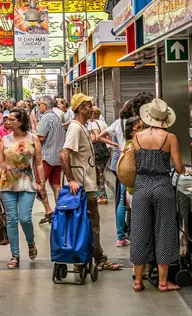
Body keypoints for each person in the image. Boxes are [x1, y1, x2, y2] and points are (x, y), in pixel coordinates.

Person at [61, 94, 121, 271]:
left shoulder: (82, 127)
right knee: (91, 222)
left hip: (87, 184)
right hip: (83, 186)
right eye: (89, 106)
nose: (92, 108)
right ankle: (96, 259)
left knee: (88, 222)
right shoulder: (75, 128)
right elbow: (64, 154)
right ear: (81, 108)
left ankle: (88, 258)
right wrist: (71, 180)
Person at [131, 98, 185, 292]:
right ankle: (163, 282)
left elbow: (133, 164)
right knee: (164, 231)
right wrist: (183, 170)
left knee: (139, 231)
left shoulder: (137, 137)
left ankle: (138, 280)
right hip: (162, 186)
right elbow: (178, 167)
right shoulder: (170, 138)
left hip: (141, 186)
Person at [0, 107, 46, 270]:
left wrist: (42, 183)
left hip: (26, 183)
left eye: (11, 119)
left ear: (21, 122)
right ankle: (15, 255)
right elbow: (0, 165)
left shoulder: (33, 139)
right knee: (11, 220)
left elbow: (38, 163)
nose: (7, 121)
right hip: (7, 183)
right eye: (7, 119)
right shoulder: (5, 140)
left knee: (25, 218)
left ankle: (31, 243)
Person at [97, 100, 134, 246]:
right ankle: (133, 232)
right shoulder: (136, 123)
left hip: (122, 164)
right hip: (132, 164)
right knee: (133, 199)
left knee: (122, 201)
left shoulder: (118, 123)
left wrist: (117, 145)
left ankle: (120, 236)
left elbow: (100, 136)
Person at [36, 96, 65, 224]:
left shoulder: (46, 117)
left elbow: (40, 137)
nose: (38, 107)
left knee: (38, 184)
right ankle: (59, 212)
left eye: (40, 105)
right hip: (57, 157)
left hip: (46, 157)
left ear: (45, 106)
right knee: (56, 185)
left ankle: (48, 211)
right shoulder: (56, 117)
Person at [87, 106, 109, 204]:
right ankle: (102, 194)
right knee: (101, 173)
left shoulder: (93, 124)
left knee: (98, 175)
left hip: (97, 151)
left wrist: (89, 139)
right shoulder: (103, 123)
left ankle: (101, 196)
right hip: (104, 150)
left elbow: (96, 137)